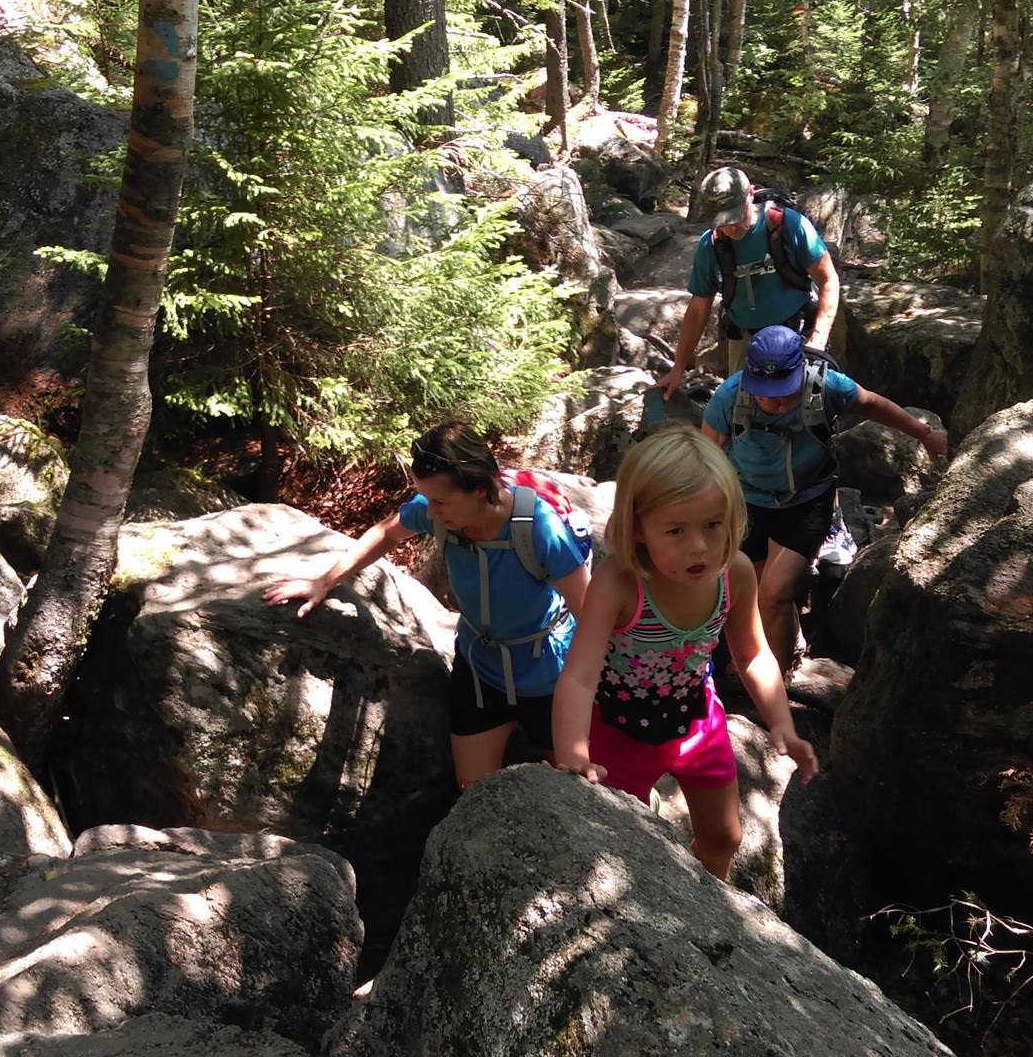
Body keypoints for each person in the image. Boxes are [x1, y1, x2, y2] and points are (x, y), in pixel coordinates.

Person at [263, 421, 591, 792]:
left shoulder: (537, 528)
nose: (429, 512)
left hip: (547, 673)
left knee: (573, 785)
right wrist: (324, 580)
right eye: (426, 499)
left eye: (440, 501)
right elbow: (387, 532)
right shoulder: (439, 511)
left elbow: (591, 616)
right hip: (481, 669)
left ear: (480, 489)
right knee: (476, 795)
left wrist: (587, 706)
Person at [551, 426, 818, 879]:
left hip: (696, 720)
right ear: (638, 528)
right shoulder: (619, 583)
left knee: (725, 837)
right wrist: (573, 751)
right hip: (619, 733)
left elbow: (752, 654)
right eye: (675, 530)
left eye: (713, 525)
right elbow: (580, 674)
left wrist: (782, 723)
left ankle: (713, 908)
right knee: (616, 846)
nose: (698, 546)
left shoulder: (733, 572)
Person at [702, 325, 948, 672]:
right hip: (749, 502)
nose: (774, 401)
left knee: (773, 593)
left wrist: (925, 434)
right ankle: (792, 641)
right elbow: (706, 457)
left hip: (808, 499)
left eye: (783, 392)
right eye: (765, 393)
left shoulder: (827, 386)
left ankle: (776, 678)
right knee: (759, 594)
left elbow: (873, 405)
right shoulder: (730, 398)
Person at [656, 165, 839, 398]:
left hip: (798, 334)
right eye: (723, 221)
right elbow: (697, 310)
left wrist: (818, 340)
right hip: (744, 341)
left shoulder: (789, 226)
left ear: (751, 194)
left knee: (803, 409)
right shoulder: (711, 246)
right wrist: (678, 368)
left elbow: (828, 280)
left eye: (736, 216)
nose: (732, 228)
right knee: (743, 413)